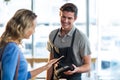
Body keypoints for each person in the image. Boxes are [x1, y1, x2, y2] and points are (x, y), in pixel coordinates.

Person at [0, 9, 60, 80]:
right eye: (33, 27)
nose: (34, 31)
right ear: (24, 27)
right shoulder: (12, 48)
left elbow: (23, 76)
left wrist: (45, 67)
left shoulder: (8, 45)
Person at [46, 3, 91, 80]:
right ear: (59, 15)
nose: (65, 21)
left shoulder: (81, 37)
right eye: (63, 17)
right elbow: (50, 63)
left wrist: (77, 69)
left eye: (69, 18)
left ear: (75, 18)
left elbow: (88, 66)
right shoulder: (52, 35)